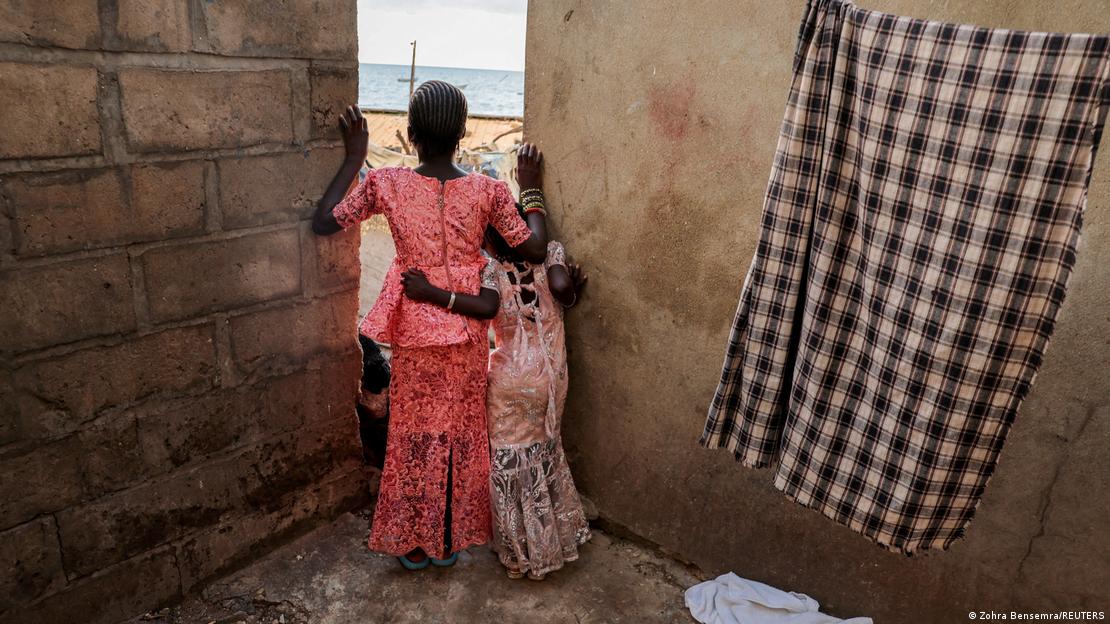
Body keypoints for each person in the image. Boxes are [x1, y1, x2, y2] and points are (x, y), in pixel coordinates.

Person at [312, 81, 549, 570]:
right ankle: (450, 537)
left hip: (415, 332)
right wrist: (532, 186)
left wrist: (355, 156)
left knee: (413, 436)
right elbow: (534, 248)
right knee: (462, 434)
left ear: (410, 133)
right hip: (466, 331)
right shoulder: (489, 191)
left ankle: (414, 542)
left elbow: (325, 220)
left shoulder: (388, 183)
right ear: (463, 134)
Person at [482, 186, 592, 580]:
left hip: (509, 377)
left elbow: (484, 311)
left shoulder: (490, 271)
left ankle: (520, 551)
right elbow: (563, 290)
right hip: (551, 374)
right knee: (545, 452)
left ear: (489, 242)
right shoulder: (551, 255)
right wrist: (571, 291)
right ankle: (553, 542)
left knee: (509, 460)